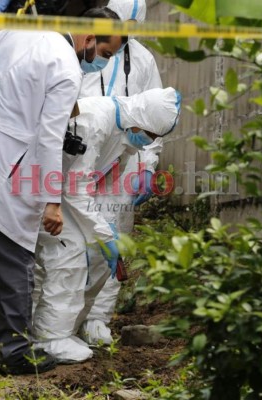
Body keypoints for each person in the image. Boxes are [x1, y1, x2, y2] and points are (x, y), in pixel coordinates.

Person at [0, 7, 124, 375]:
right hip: (2, 169)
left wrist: (8, 89)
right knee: (15, 262)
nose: (100, 63)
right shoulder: (66, 69)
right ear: (89, 38)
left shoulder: (24, 31)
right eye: (105, 54)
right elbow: (47, 139)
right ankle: (16, 352)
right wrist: (51, 202)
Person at [33, 87, 181, 363]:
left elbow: (96, 183)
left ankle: (59, 330)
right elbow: (76, 187)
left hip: (59, 192)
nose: (148, 142)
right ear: (141, 122)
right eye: (150, 135)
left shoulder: (122, 131)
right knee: (69, 256)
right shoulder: (94, 122)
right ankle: (49, 338)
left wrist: (106, 228)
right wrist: (103, 232)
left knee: (77, 257)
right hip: (46, 193)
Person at [78, 0, 164, 346]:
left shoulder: (143, 60)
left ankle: (98, 318)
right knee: (74, 237)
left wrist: (147, 164)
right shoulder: (82, 48)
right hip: (83, 155)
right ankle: (63, 314)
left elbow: (154, 114)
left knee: (114, 237)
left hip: (123, 160)